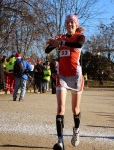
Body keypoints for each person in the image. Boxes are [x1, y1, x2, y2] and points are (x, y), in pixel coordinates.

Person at [45, 14, 85, 150]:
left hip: (75, 75)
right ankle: (60, 142)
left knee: (75, 109)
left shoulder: (80, 37)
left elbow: (77, 45)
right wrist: (52, 44)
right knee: (61, 108)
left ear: (76, 24)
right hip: (61, 75)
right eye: (67, 23)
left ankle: (77, 130)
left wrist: (60, 43)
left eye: (72, 23)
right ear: (65, 25)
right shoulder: (60, 37)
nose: (69, 25)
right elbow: (46, 50)